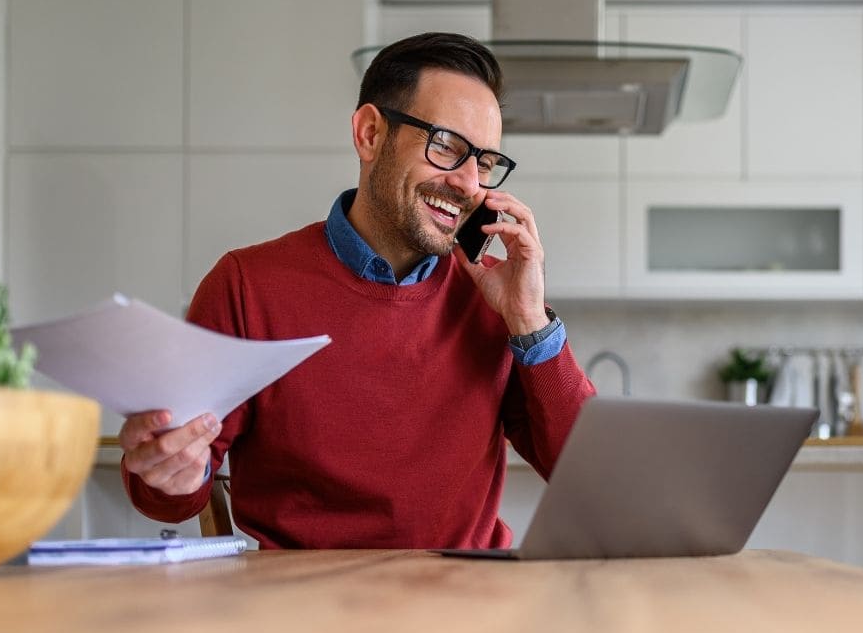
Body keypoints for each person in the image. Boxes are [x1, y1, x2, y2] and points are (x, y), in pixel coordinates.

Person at [118, 33, 596, 549]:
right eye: (446, 147)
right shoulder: (246, 286)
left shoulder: (494, 303)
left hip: (467, 604)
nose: (468, 184)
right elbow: (167, 492)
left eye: (482, 162)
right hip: (302, 611)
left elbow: (594, 482)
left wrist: (529, 319)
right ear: (369, 134)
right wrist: (168, 470)